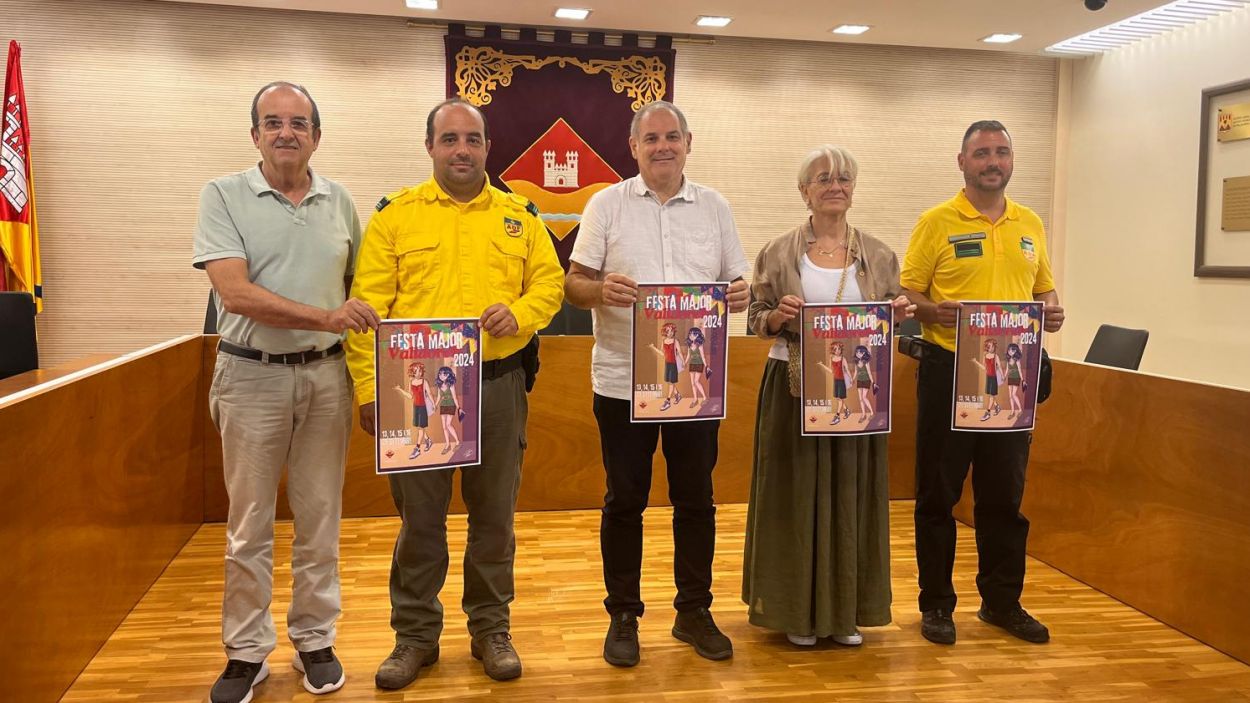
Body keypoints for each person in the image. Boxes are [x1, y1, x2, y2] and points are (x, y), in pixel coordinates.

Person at [345, 98, 563, 690]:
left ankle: (491, 628)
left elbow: (550, 284)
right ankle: (415, 636)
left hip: (497, 387)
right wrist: (370, 389)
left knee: (494, 519)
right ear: (430, 147)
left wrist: (517, 314)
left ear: (489, 147)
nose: (461, 150)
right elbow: (368, 309)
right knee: (420, 522)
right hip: (413, 389)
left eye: (472, 139)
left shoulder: (520, 215)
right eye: (449, 139)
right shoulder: (396, 217)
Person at [193, 81, 379, 703]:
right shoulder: (223, 194)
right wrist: (326, 317)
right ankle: (245, 652)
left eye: (299, 123)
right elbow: (235, 295)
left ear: (317, 136)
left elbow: (365, 288)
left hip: (327, 377)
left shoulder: (340, 200)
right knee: (249, 524)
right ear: (254, 135)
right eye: (272, 123)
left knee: (321, 520)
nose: (286, 133)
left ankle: (314, 639)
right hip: (250, 376)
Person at [565, 100, 750, 667]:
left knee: (696, 500)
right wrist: (601, 292)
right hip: (622, 382)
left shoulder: (715, 207)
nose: (663, 146)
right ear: (634, 147)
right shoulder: (605, 205)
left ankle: (693, 611)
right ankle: (623, 614)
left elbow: (735, 281)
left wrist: (741, 292)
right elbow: (573, 284)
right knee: (625, 501)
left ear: (688, 143)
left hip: (696, 383)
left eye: (673, 136)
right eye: (652, 139)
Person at [900, 120, 1065, 646]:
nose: (993, 161)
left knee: (1004, 498)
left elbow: (1042, 291)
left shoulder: (1029, 223)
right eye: (982, 153)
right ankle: (937, 607)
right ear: (962, 162)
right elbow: (907, 295)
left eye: (1001, 152)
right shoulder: (937, 221)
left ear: (1011, 160)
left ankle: (1002, 603)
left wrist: (1051, 313)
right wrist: (935, 312)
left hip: (1012, 378)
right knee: (937, 497)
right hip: (950, 371)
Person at [742, 145, 913, 648]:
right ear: (804, 191)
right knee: (793, 498)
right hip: (793, 388)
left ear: (853, 190)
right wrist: (776, 318)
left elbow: (889, 321)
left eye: (843, 178)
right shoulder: (778, 251)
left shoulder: (879, 255)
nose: (834, 185)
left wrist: (897, 313)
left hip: (856, 397)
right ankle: (796, 609)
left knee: (850, 496)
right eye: (822, 178)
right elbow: (755, 320)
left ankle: (845, 613)